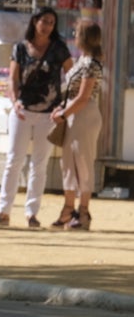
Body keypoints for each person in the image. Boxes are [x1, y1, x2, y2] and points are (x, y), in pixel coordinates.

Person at [0, 7, 72, 228]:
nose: (47, 26)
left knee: (39, 164)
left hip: (48, 113)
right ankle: (3, 211)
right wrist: (14, 100)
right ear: (35, 21)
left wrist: (63, 105)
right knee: (13, 160)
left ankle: (31, 213)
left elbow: (72, 76)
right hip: (22, 110)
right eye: (44, 21)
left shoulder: (59, 49)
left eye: (51, 23)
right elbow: (13, 78)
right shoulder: (20, 48)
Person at [50, 20, 104, 231]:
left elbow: (83, 97)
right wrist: (62, 109)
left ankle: (83, 212)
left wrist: (63, 113)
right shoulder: (83, 60)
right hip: (74, 113)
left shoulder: (90, 63)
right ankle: (69, 209)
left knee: (83, 163)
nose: (74, 35)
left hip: (84, 114)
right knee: (68, 164)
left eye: (77, 32)